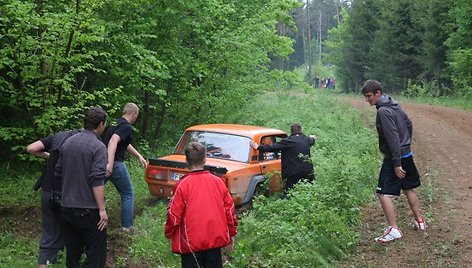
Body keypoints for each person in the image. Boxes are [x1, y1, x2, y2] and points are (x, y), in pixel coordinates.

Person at [362, 79, 426, 243]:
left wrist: (396, 163)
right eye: (365, 96)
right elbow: (408, 124)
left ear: (378, 93)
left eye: (369, 96)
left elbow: (392, 138)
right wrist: (406, 143)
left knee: (383, 192)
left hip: (394, 157)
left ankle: (394, 229)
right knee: (408, 187)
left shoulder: (383, 111)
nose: (367, 99)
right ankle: (420, 221)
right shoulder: (395, 105)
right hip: (406, 153)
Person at [165, 142, 238, 268]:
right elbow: (230, 211)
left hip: (191, 244)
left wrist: (169, 232)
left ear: (187, 160)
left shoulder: (182, 185)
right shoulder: (218, 182)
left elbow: (174, 215)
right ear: (205, 159)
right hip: (215, 241)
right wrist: (231, 233)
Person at [55, 107, 109, 267]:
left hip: (67, 208)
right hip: (89, 211)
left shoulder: (68, 142)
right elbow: (97, 180)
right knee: (96, 256)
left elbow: (58, 172)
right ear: (100, 124)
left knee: (72, 254)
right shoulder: (99, 147)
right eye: (104, 124)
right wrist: (102, 209)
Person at [27, 129, 82, 267]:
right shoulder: (82, 143)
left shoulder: (57, 137)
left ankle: (45, 263)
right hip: (68, 196)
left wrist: (50, 156)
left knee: (49, 235)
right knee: (76, 232)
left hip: (48, 193)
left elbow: (31, 148)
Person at [103, 103, 146, 231]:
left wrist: (139, 155)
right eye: (136, 116)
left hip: (102, 162)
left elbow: (124, 143)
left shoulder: (116, 123)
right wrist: (110, 163)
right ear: (133, 114)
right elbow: (113, 141)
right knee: (128, 193)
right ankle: (127, 227)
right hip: (115, 164)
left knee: (93, 190)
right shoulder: (126, 126)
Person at [250, 123, 315, 197]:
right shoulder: (306, 140)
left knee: (289, 193)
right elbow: (312, 140)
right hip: (308, 171)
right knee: (310, 191)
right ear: (301, 130)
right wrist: (312, 137)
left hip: (294, 172)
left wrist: (258, 147)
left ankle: (286, 203)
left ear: (291, 131)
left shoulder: (288, 141)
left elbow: (273, 147)